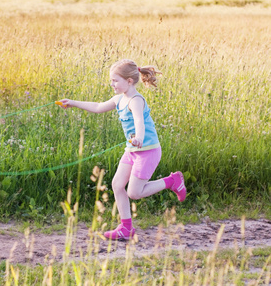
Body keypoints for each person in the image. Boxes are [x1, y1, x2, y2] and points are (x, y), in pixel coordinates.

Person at [57, 59, 186, 241]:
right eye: (111, 80)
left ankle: (172, 181)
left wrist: (139, 137)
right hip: (132, 151)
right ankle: (126, 228)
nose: (112, 84)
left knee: (134, 192)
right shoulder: (119, 99)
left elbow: (139, 122)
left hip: (148, 151)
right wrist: (73, 103)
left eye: (115, 81)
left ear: (129, 81)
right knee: (117, 185)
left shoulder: (136, 101)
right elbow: (98, 107)